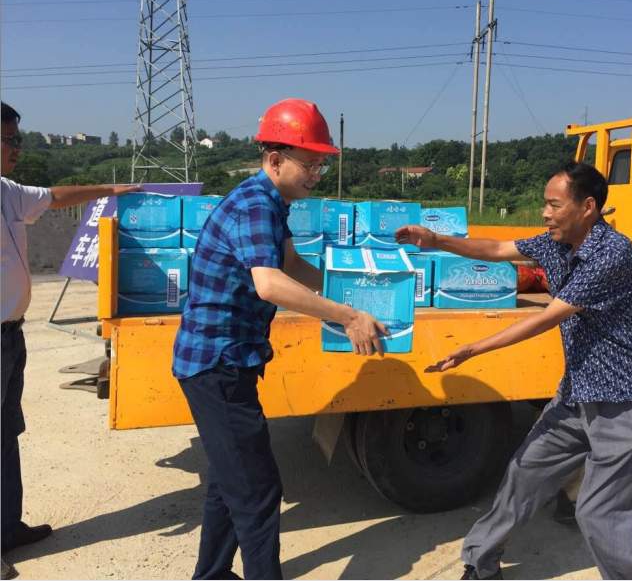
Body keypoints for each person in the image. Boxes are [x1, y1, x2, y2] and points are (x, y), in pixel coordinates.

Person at [397, 161, 632, 580]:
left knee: (600, 513)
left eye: (554, 205)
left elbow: (546, 318)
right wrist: (436, 240)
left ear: (587, 207)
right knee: (524, 472)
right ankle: (482, 563)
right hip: (577, 392)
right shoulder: (557, 243)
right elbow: (497, 250)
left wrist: (474, 348)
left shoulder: (612, 254)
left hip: (622, 400)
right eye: (544, 204)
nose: (545, 213)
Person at [172, 98, 388, 580]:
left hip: (225, 361)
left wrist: (353, 294)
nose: (316, 175)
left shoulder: (269, 202)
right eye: (309, 164)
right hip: (217, 364)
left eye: (320, 165)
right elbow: (269, 283)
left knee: (229, 481)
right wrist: (347, 316)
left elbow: (290, 264)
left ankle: (211, 575)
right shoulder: (254, 206)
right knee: (257, 491)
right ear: (275, 159)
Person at [1, 102, 139, 579]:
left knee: (6, 436)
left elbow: (56, 196)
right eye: (10, 140)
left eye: (18, 140)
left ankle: (7, 528)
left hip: (10, 335)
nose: (18, 149)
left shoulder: (7, 191)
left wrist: (111, 190)